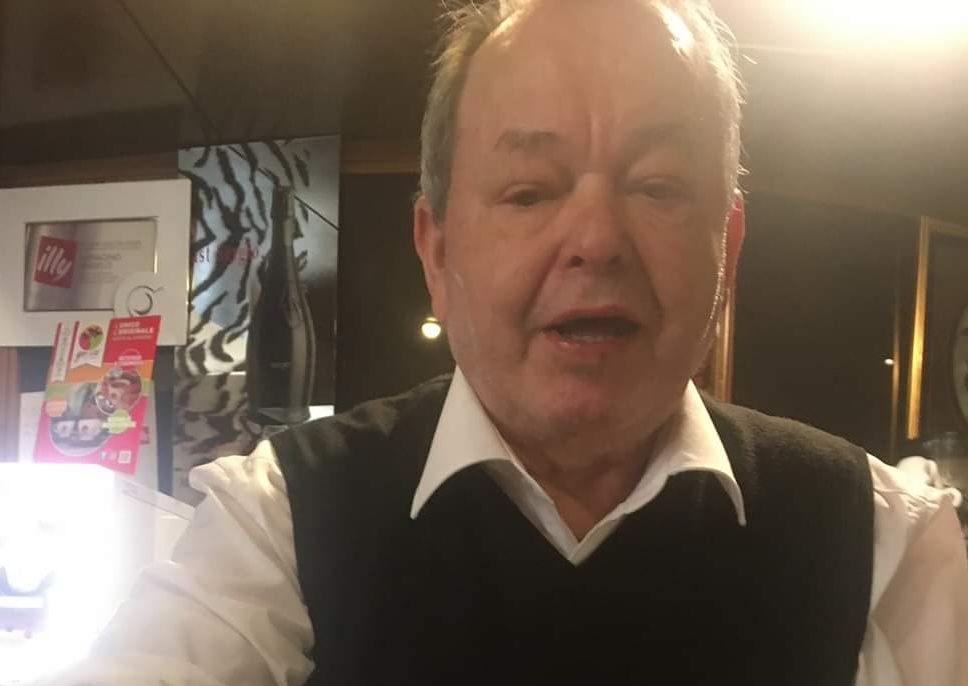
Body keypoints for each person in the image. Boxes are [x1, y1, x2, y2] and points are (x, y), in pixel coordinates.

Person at [44, 1, 968, 684]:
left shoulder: (886, 541)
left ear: (726, 248)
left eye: (658, 186)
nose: (596, 239)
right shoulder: (281, 517)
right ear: (437, 251)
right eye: (529, 191)